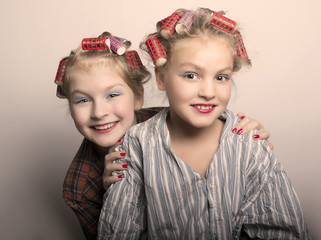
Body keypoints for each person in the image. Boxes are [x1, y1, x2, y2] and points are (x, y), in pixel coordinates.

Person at [97, 8, 310, 239]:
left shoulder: (248, 145)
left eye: (221, 77)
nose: (208, 92)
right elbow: (118, 231)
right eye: (191, 75)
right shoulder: (137, 145)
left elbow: (282, 232)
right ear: (161, 77)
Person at [54, 32, 271, 239]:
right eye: (83, 100)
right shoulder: (78, 187)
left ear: (138, 96)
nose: (99, 112)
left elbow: (204, 115)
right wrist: (107, 192)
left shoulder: (166, 120)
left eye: (112, 94)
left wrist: (243, 130)